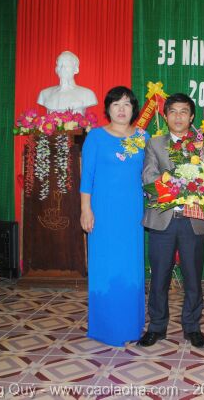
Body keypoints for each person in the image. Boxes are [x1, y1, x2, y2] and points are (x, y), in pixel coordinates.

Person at [80, 86, 149, 347]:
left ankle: (131, 325)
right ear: (108, 108)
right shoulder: (96, 137)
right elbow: (87, 176)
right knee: (105, 266)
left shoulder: (143, 137)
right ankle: (106, 327)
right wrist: (85, 209)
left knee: (130, 267)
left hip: (132, 214)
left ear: (134, 109)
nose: (121, 109)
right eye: (116, 104)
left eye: (127, 104)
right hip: (103, 212)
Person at [139, 93, 204, 349]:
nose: (178, 117)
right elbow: (149, 177)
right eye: (173, 112)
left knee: (193, 279)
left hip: (193, 221)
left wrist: (200, 186)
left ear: (192, 117)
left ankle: (192, 327)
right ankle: (157, 327)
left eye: (184, 112)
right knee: (159, 278)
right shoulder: (155, 144)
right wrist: (179, 186)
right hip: (163, 220)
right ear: (166, 116)